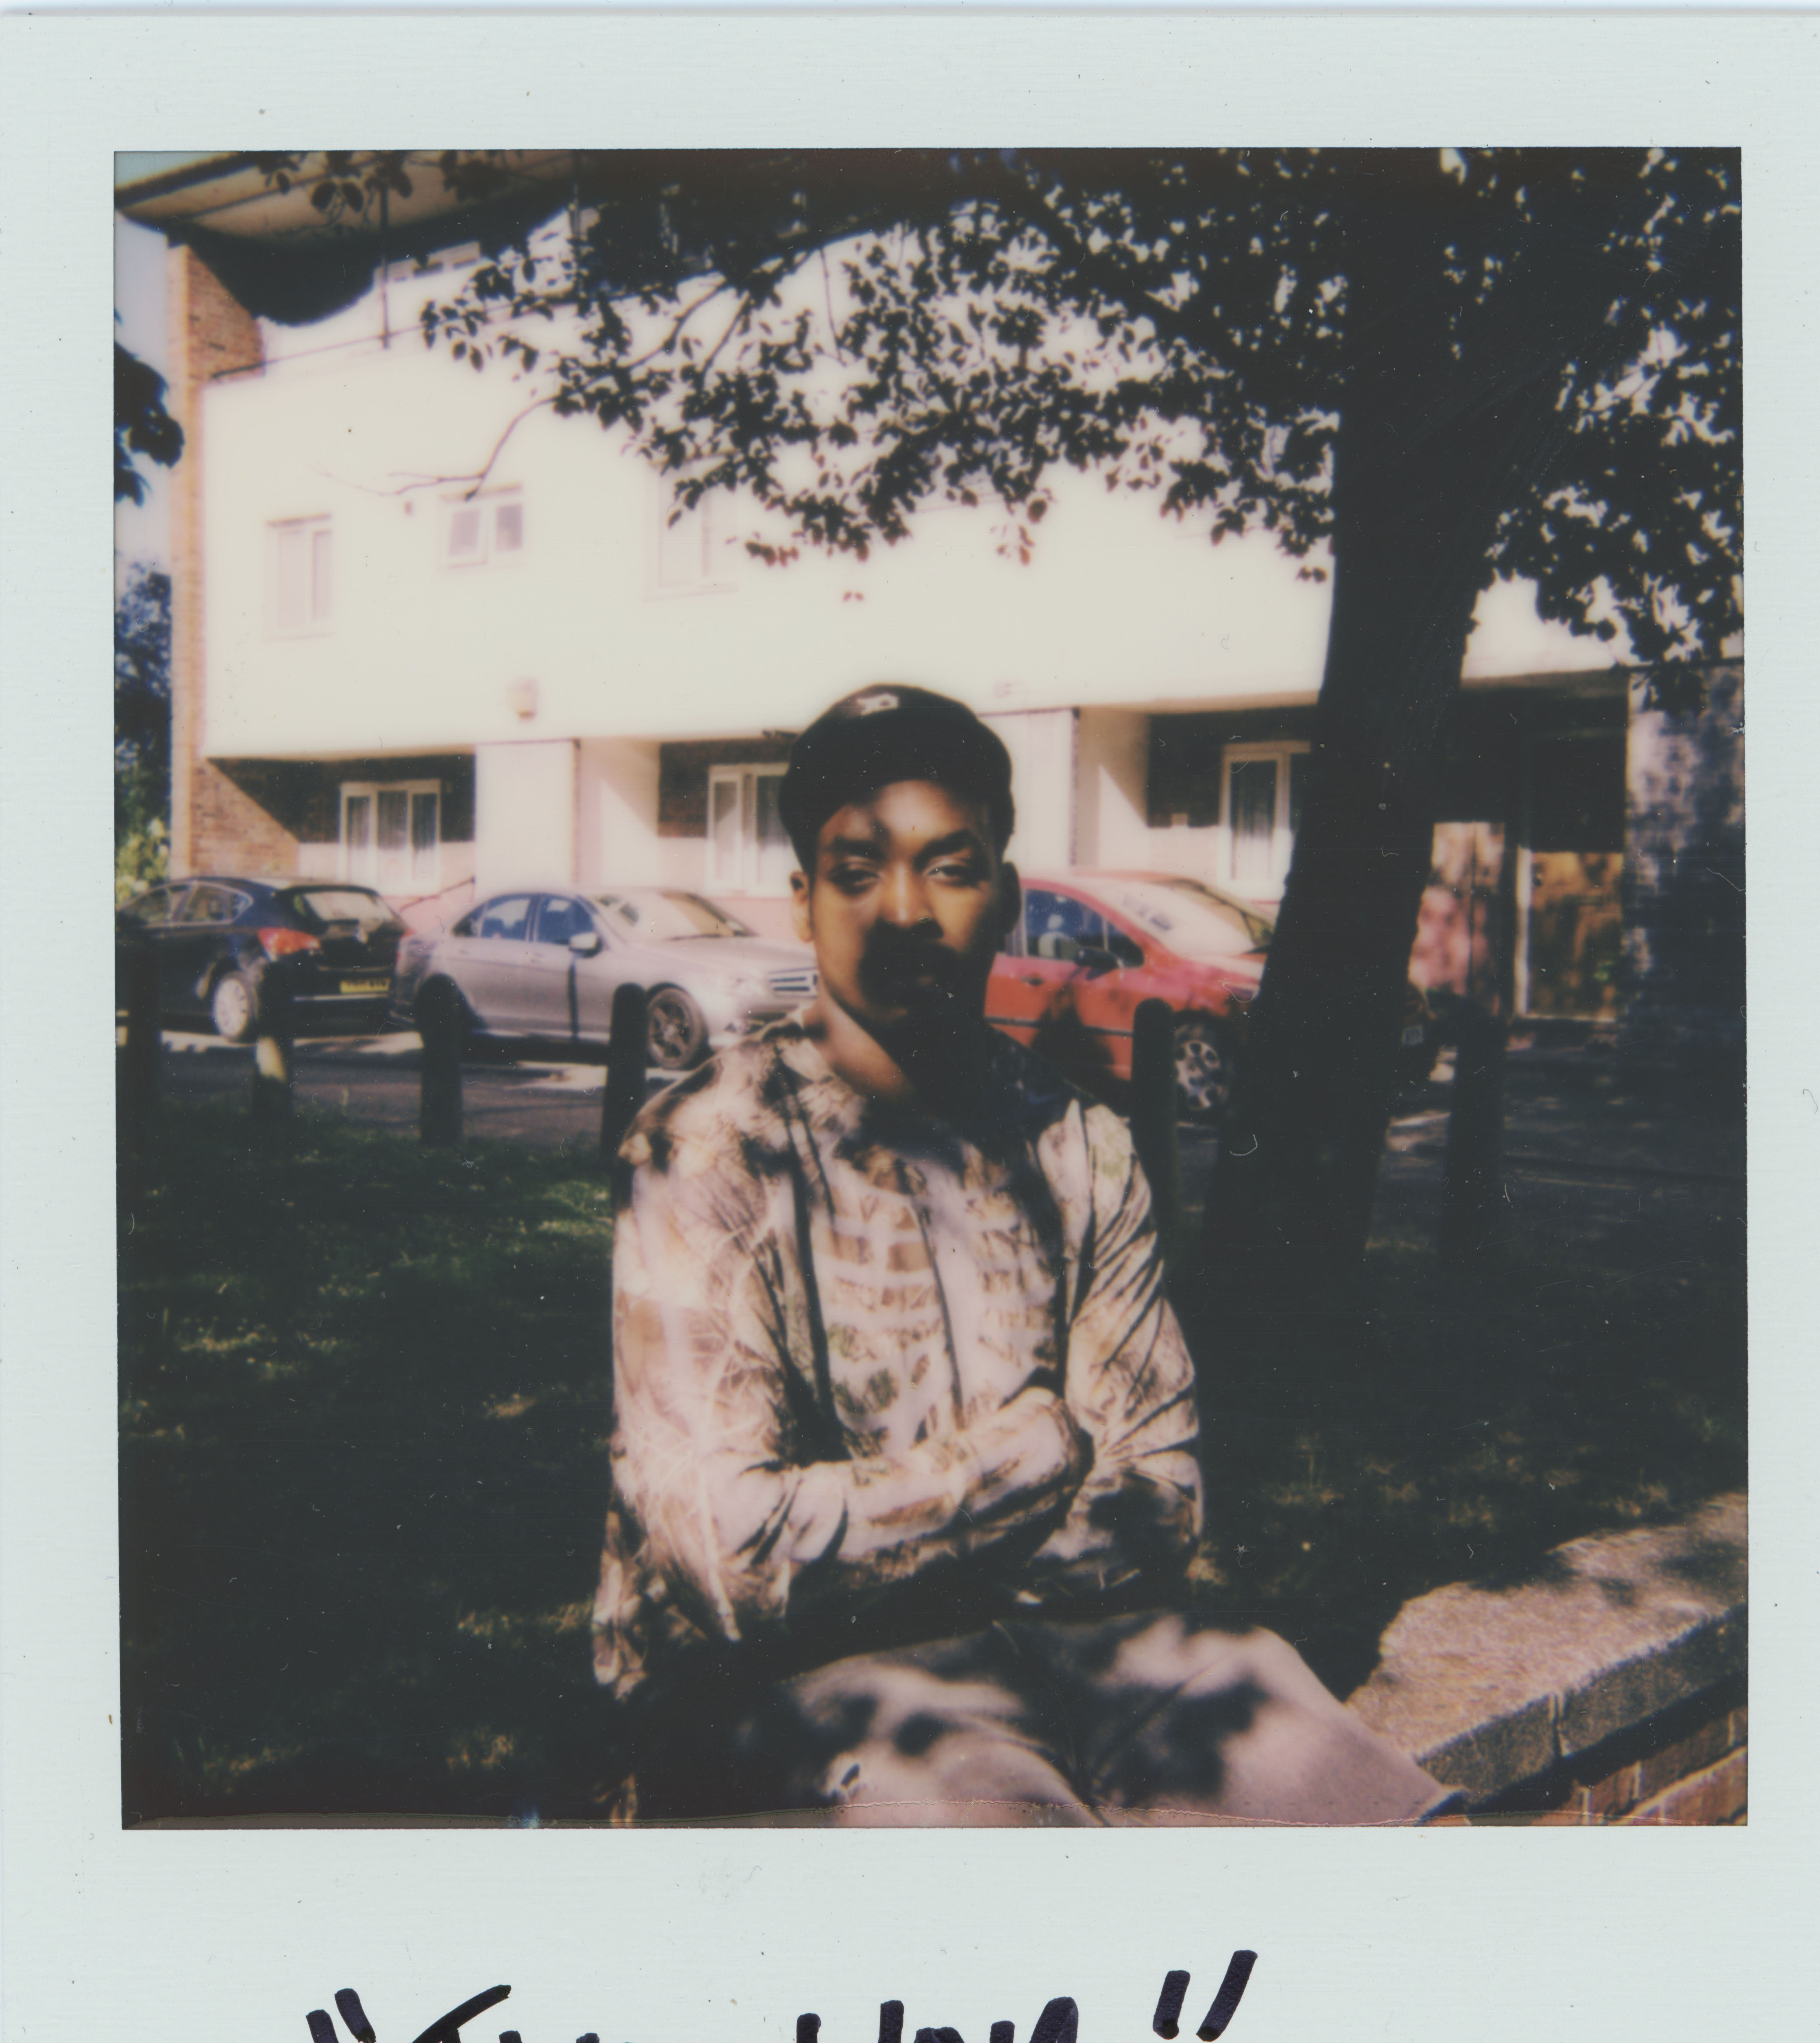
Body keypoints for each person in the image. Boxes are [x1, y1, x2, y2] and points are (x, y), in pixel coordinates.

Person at [592, 685, 1452, 1826]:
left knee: (1367, 1820)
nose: (903, 912)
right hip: (794, 1695)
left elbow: (1159, 1494)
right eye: (856, 873)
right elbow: (736, 1561)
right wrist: (1037, 1450)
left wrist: (888, 1543)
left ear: (1005, 894)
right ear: (803, 903)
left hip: (1094, 1650)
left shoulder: (1079, 1146)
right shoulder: (709, 1156)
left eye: (950, 867)